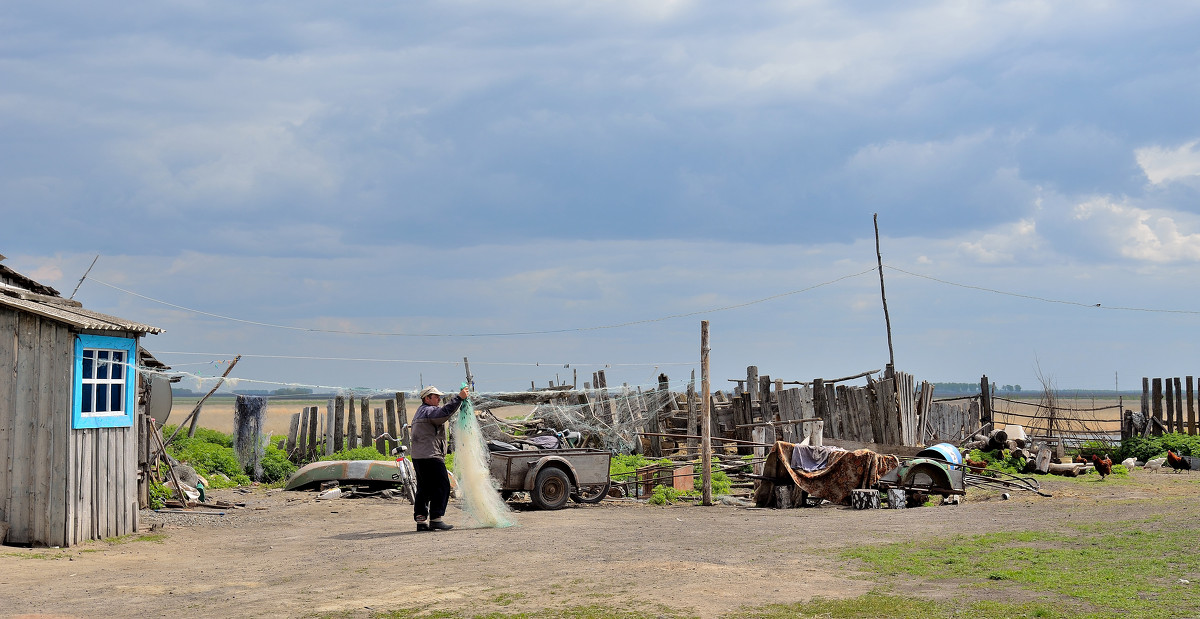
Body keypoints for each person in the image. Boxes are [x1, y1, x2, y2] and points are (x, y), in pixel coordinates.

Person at [410, 384, 470, 531]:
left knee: (424, 488)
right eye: (436, 396)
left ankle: (421, 520)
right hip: (430, 455)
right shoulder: (429, 411)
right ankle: (436, 518)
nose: (439, 399)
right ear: (427, 398)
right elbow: (444, 414)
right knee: (442, 485)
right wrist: (459, 398)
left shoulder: (420, 411)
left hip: (419, 456)